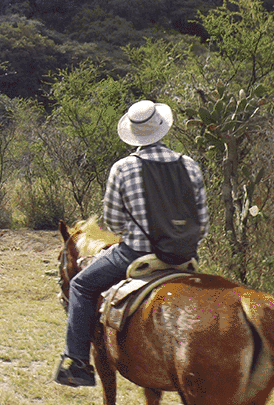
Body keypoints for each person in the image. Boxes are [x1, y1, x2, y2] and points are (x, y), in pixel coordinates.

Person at [55, 100, 209, 388]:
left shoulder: (123, 168)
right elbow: (202, 221)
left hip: (136, 253)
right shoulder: (189, 164)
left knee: (81, 285)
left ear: (134, 134)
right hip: (185, 256)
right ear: (162, 129)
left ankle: (76, 362)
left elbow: (113, 222)